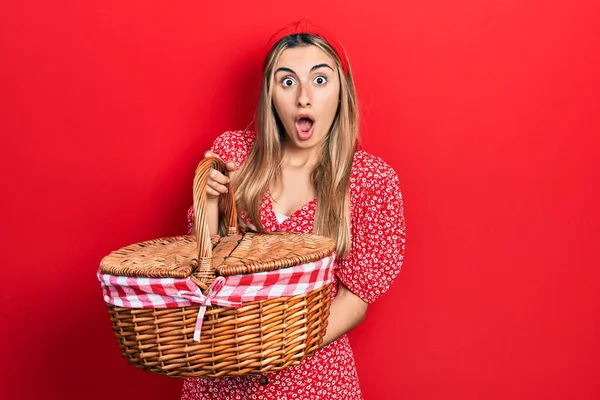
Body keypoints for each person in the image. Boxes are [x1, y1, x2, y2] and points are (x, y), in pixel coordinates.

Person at [182, 19, 406, 400]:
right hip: (223, 377)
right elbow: (200, 265)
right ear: (270, 94)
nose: (304, 97)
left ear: (341, 92)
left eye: (319, 80)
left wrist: (276, 346)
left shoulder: (372, 180)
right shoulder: (234, 154)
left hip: (312, 381)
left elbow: (355, 300)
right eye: (287, 82)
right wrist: (210, 204)